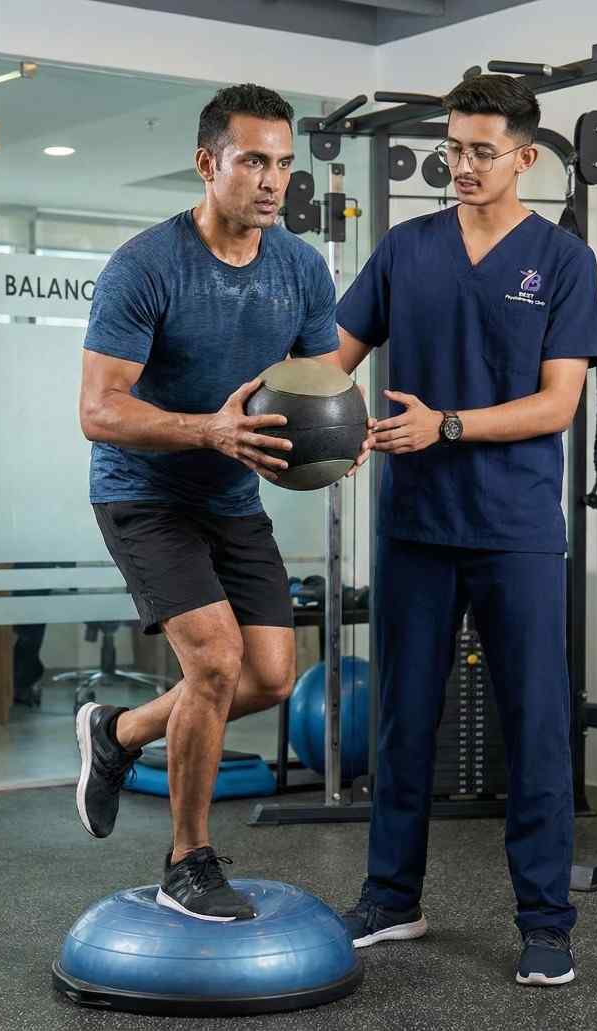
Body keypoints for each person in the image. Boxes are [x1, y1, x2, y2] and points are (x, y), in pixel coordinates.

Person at [73, 83, 370, 922]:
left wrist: (347, 436)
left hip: (232, 494)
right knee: (212, 662)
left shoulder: (301, 267)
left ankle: (120, 733)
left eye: (282, 163)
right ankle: (187, 860)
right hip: (145, 492)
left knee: (272, 676)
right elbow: (98, 411)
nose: (272, 180)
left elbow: (320, 387)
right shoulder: (146, 265)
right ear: (210, 164)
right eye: (252, 161)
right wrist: (208, 431)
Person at [331, 74, 597, 986]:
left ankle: (545, 920)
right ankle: (391, 896)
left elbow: (556, 403)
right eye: (454, 146)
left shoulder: (563, 261)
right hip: (413, 523)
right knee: (404, 719)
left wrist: (444, 423)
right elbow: (332, 362)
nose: (462, 165)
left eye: (482, 149)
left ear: (525, 156)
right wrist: (278, 409)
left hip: (516, 526)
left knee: (535, 725)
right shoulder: (405, 248)